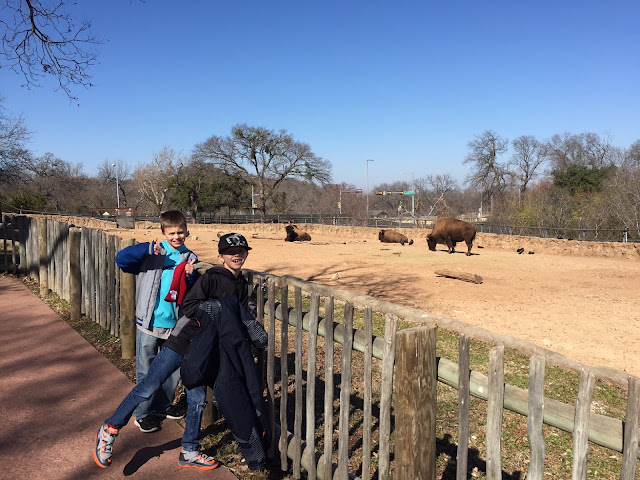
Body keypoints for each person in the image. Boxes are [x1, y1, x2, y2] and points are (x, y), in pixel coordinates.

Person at [93, 233, 262, 470]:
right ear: (220, 257)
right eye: (230, 252)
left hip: (204, 350)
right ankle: (110, 429)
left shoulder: (241, 285)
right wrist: (215, 308)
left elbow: (240, 316)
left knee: (198, 400)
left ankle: (189, 450)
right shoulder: (211, 277)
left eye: (241, 251)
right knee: (150, 385)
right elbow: (189, 306)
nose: (236, 255)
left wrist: (250, 304)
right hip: (184, 340)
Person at [114, 210, 198, 433]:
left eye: (180, 232)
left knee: (172, 370)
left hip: (175, 323)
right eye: (171, 233)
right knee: (146, 369)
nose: (176, 236)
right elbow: (121, 260)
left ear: (186, 231)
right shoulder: (153, 252)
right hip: (150, 321)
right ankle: (142, 414)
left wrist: (191, 276)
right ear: (163, 233)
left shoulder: (190, 257)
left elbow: (192, 291)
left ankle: (162, 406)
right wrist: (147, 249)